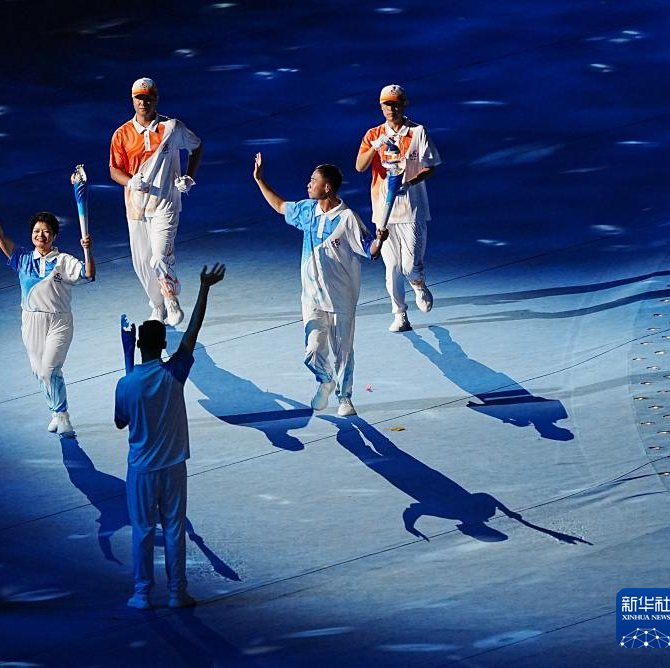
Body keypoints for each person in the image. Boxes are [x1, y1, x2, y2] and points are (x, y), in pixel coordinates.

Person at [114, 263, 226, 610]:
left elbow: (121, 421)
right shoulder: (174, 372)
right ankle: (177, 592)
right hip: (174, 465)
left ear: (138, 345)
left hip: (142, 469)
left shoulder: (126, 384)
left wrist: (127, 361)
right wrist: (204, 288)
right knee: (174, 527)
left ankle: (142, 593)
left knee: (143, 530)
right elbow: (193, 329)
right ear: (163, 344)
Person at [253, 152, 386, 416]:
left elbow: (369, 250)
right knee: (312, 350)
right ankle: (325, 381)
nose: (308, 184)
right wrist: (259, 180)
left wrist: (380, 241)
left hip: (341, 299)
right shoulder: (307, 210)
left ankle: (345, 398)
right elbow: (280, 206)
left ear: (327, 187)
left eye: (314, 180)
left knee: (343, 352)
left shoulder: (347, 218)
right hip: (312, 297)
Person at [0, 188, 96, 436]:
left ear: (54, 235)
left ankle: (63, 416)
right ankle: (56, 413)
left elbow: (89, 274)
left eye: (45, 231)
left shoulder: (64, 261)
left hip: (59, 321)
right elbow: (1, 239)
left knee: (50, 369)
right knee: (39, 371)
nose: (40, 235)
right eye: (36, 231)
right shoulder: (23, 258)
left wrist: (87, 250)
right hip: (31, 321)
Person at [109, 76, 203, 327]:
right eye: (139, 98)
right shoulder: (121, 134)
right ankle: (157, 305)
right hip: (136, 208)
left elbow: (196, 146)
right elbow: (114, 170)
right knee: (142, 263)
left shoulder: (172, 128)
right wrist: (131, 182)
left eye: (148, 98)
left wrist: (189, 176)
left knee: (160, 256)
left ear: (156, 99)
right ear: (133, 100)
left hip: (165, 204)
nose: (144, 102)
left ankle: (171, 299)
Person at [355, 84, 442, 332]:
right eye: (387, 104)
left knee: (409, 266)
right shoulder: (373, 134)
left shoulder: (417, 132)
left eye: (395, 104)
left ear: (404, 104)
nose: (391, 109)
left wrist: (411, 182)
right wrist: (375, 146)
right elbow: (360, 166)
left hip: (411, 209)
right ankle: (400, 314)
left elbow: (430, 166)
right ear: (381, 106)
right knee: (392, 267)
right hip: (383, 211)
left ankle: (418, 283)